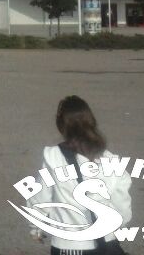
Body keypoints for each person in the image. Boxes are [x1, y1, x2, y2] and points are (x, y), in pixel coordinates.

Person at [26, 96, 132, 254]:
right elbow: (122, 204)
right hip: (106, 243)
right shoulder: (111, 159)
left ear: (62, 125)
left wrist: (36, 228)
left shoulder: (53, 156)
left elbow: (40, 198)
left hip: (68, 245)